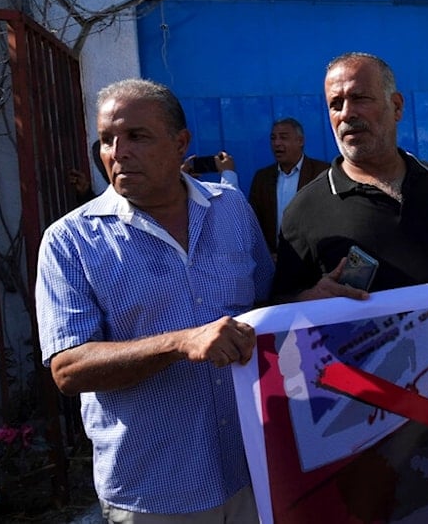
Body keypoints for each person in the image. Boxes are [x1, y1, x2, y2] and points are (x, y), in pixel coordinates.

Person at [35, 78, 274, 522]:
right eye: (107, 140)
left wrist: (311, 300)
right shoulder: (70, 241)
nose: (118, 152)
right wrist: (179, 343)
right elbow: (67, 369)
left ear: (181, 143)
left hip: (249, 473)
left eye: (137, 136)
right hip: (154, 493)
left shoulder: (231, 209)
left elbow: (262, 311)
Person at [273, 52, 428, 300]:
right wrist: (310, 298)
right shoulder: (303, 211)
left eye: (359, 98)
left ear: (396, 106)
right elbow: (282, 306)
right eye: (336, 104)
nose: (346, 114)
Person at [248, 117, 329, 254]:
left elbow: (329, 218)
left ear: (300, 141)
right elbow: (253, 222)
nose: (277, 143)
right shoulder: (262, 178)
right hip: (273, 260)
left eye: (283, 138)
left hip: (311, 260)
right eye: (273, 138)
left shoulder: (322, 173)